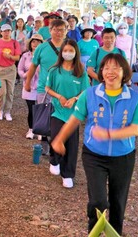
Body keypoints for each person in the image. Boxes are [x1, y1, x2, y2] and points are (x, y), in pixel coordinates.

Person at [51, 54, 138, 235]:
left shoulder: (134, 98)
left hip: (123, 157)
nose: (110, 72)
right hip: (94, 155)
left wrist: (109, 134)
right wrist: (59, 139)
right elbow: (75, 119)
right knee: (98, 201)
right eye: (106, 68)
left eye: (116, 68)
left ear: (124, 71)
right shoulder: (90, 94)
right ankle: (93, 230)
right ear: (101, 71)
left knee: (118, 202)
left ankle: (115, 232)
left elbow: (136, 129)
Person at [45, 39, 89, 188]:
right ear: (61, 52)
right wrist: (59, 97)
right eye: (66, 50)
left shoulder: (81, 71)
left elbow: (85, 90)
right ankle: (54, 160)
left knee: (72, 143)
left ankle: (68, 174)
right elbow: (48, 88)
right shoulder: (54, 70)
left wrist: (75, 99)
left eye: (71, 50)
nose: (68, 53)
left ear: (76, 52)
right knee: (56, 136)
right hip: (57, 111)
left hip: (74, 113)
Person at [24, 19, 67, 154]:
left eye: (61, 30)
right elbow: (33, 66)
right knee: (44, 115)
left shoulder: (70, 47)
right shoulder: (42, 47)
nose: (58, 33)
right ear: (50, 30)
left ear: (66, 31)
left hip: (64, 89)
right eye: (55, 29)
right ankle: (44, 143)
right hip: (44, 88)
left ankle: (58, 144)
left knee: (61, 117)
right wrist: (27, 82)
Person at [0, 24, 21, 121]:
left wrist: (10, 57)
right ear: (1, 32)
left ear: (11, 32)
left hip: (11, 68)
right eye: (4, 31)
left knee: (10, 92)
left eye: (8, 31)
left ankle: (8, 111)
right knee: (1, 92)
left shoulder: (14, 43)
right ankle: (0, 109)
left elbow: (17, 57)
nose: (6, 33)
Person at [18, 34, 43, 139]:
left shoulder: (44, 56)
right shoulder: (25, 56)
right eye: (33, 41)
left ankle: (41, 130)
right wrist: (25, 75)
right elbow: (20, 69)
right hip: (28, 86)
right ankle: (31, 129)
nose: (35, 44)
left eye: (38, 42)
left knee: (41, 108)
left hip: (41, 86)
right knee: (31, 108)